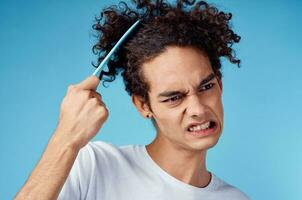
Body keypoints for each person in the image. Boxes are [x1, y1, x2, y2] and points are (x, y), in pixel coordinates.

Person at [15, 0, 250, 199]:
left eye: (206, 86)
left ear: (219, 83)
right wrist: (66, 138)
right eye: (174, 98)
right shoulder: (94, 166)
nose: (198, 108)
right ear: (143, 105)